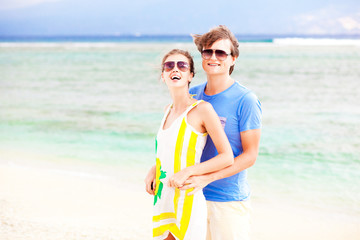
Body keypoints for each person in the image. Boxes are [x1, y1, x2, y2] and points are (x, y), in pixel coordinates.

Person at [179, 25, 262, 240]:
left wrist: (208, 178)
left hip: (228, 201)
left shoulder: (246, 100)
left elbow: (250, 155)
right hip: (191, 195)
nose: (213, 57)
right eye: (208, 51)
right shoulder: (192, 95)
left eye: (221, 52)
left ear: (233, 58)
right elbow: (179, 142)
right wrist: (156, 168)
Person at [146, 49, 234, 240]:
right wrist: (153, 169)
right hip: (163, 197)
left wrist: (188, 171)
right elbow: (171, 150)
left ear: (190, 75)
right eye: (169, 66)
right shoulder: (167, 111)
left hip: (188, 197)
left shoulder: (202, 110)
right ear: (163, 75)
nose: (174, 69)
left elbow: (227, 156)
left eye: (182, 65)